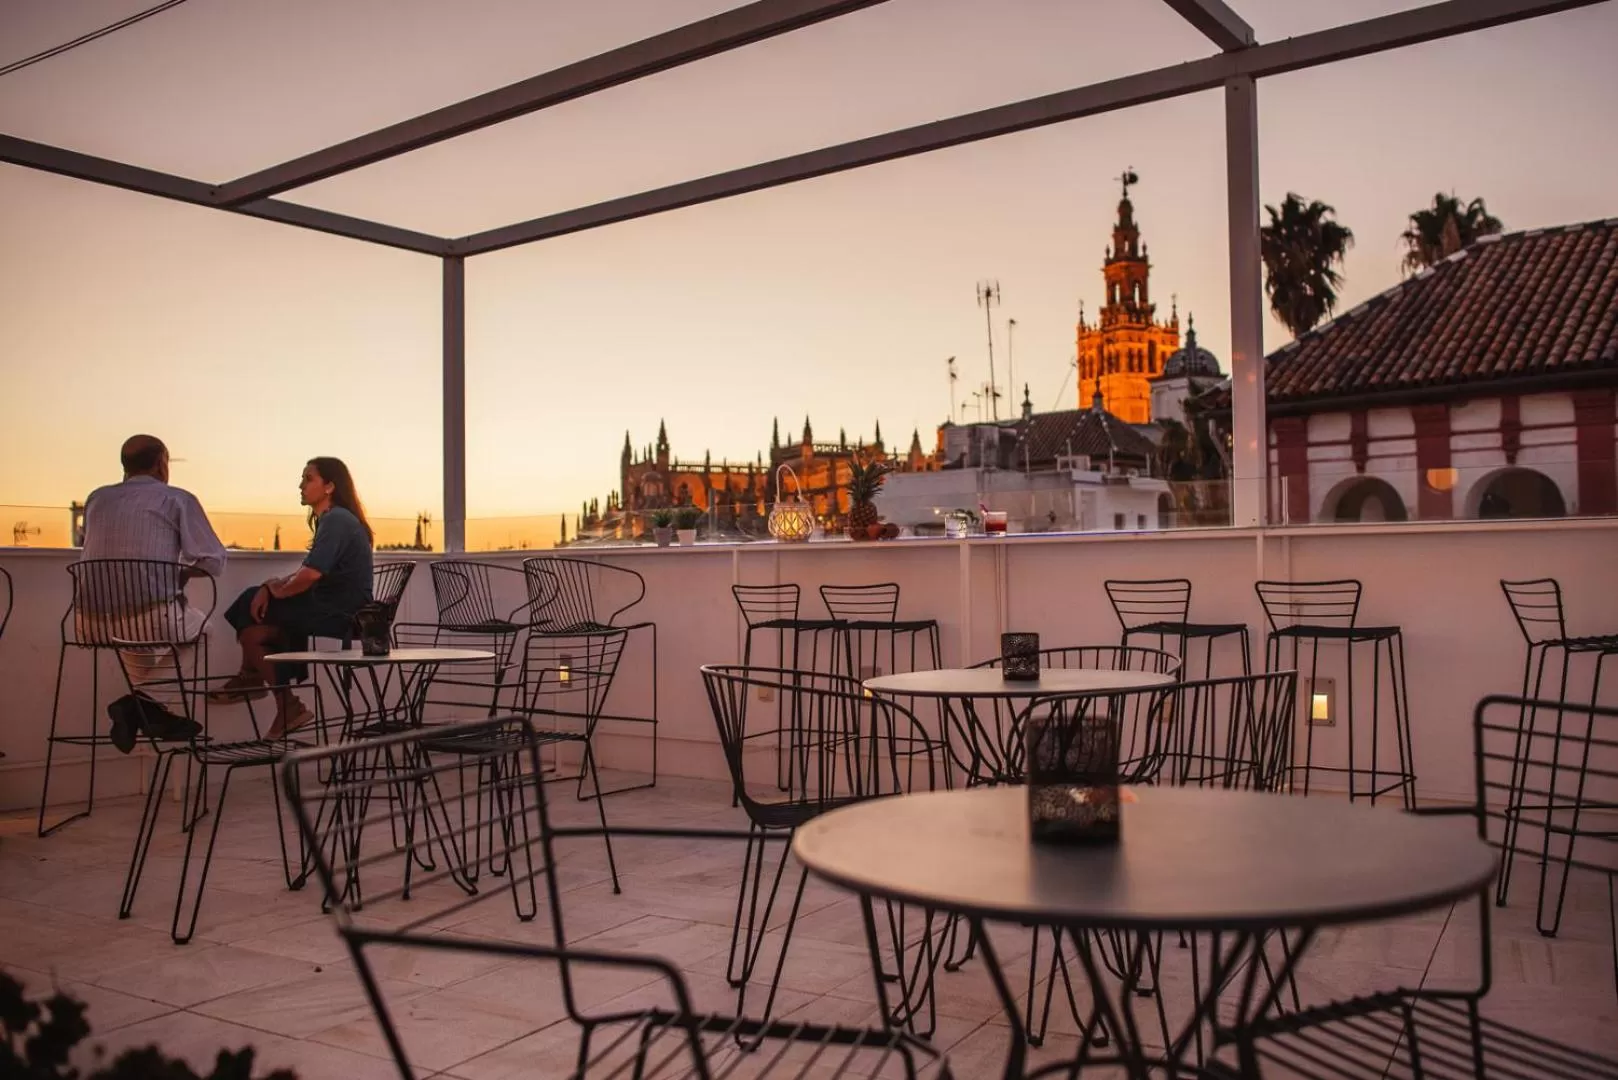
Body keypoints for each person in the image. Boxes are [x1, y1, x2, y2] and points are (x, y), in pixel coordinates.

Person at [78, 435, 227, 749]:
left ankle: (149, 712)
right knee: (203, 631)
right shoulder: (176, 499)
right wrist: (183, 572)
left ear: (125, 466)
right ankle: (141, 706)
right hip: (148, 616)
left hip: (87, 622)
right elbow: (213, 560)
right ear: (162, 463)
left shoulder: (96, 499)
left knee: (140, 644)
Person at [212, 457, 374, 737]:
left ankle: (257, 682)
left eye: (308, 478)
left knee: (251, 606)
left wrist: (276, 590)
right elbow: (306, 572)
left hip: (343, 612)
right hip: (331, 605)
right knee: (254, 633)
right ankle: (281, 699)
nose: (301, 485)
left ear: (329, 486)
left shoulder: (336, 519)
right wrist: (270, 587)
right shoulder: (333, 519)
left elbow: (311, 575)